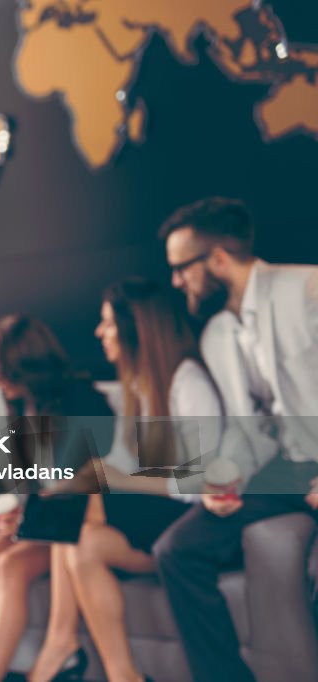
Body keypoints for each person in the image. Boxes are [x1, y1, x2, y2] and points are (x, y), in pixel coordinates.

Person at [153, 197, 318, 682]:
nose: (176, 281)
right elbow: (251, 430)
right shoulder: (218, 335)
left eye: (182, 268)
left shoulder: (307, 291)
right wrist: (226, 476)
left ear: (219, 259)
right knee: (176, 551)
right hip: (289, 468)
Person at [27, 278, 221, 682]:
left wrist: (116, 480)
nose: (100, 333)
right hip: (149, 514)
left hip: (190, 517)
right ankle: (122, 675)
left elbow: (203, 484)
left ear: (137, 330)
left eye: (108, 324)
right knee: (79, 541)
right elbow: (121, 462)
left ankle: (60, 645)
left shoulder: (188, 383)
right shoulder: (139, 386)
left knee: (87, 504)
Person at [0, 315, 112, 682]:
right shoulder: (25, 404)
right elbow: (36, 483)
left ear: (23, 367)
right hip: (48, 522)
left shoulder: (83, 403)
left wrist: (30, 511)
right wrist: (18, 509)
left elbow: (89, 490)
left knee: (10, 564)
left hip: (81, 526)